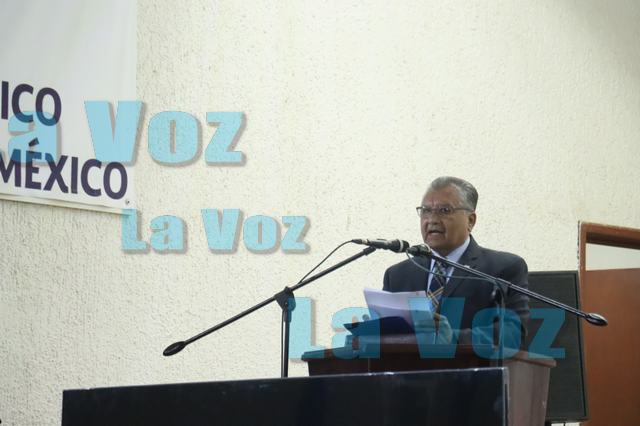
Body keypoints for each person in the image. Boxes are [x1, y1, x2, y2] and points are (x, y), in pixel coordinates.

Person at [383, 176, 529, 349]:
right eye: (426, 211)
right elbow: (385, 334)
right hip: (406, 366)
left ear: (470, 221)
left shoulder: (503, 268)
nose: (432, 219)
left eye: (444, 210)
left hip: (472, 366)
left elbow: (513, 334)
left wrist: (454, 337)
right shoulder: (398, 275)